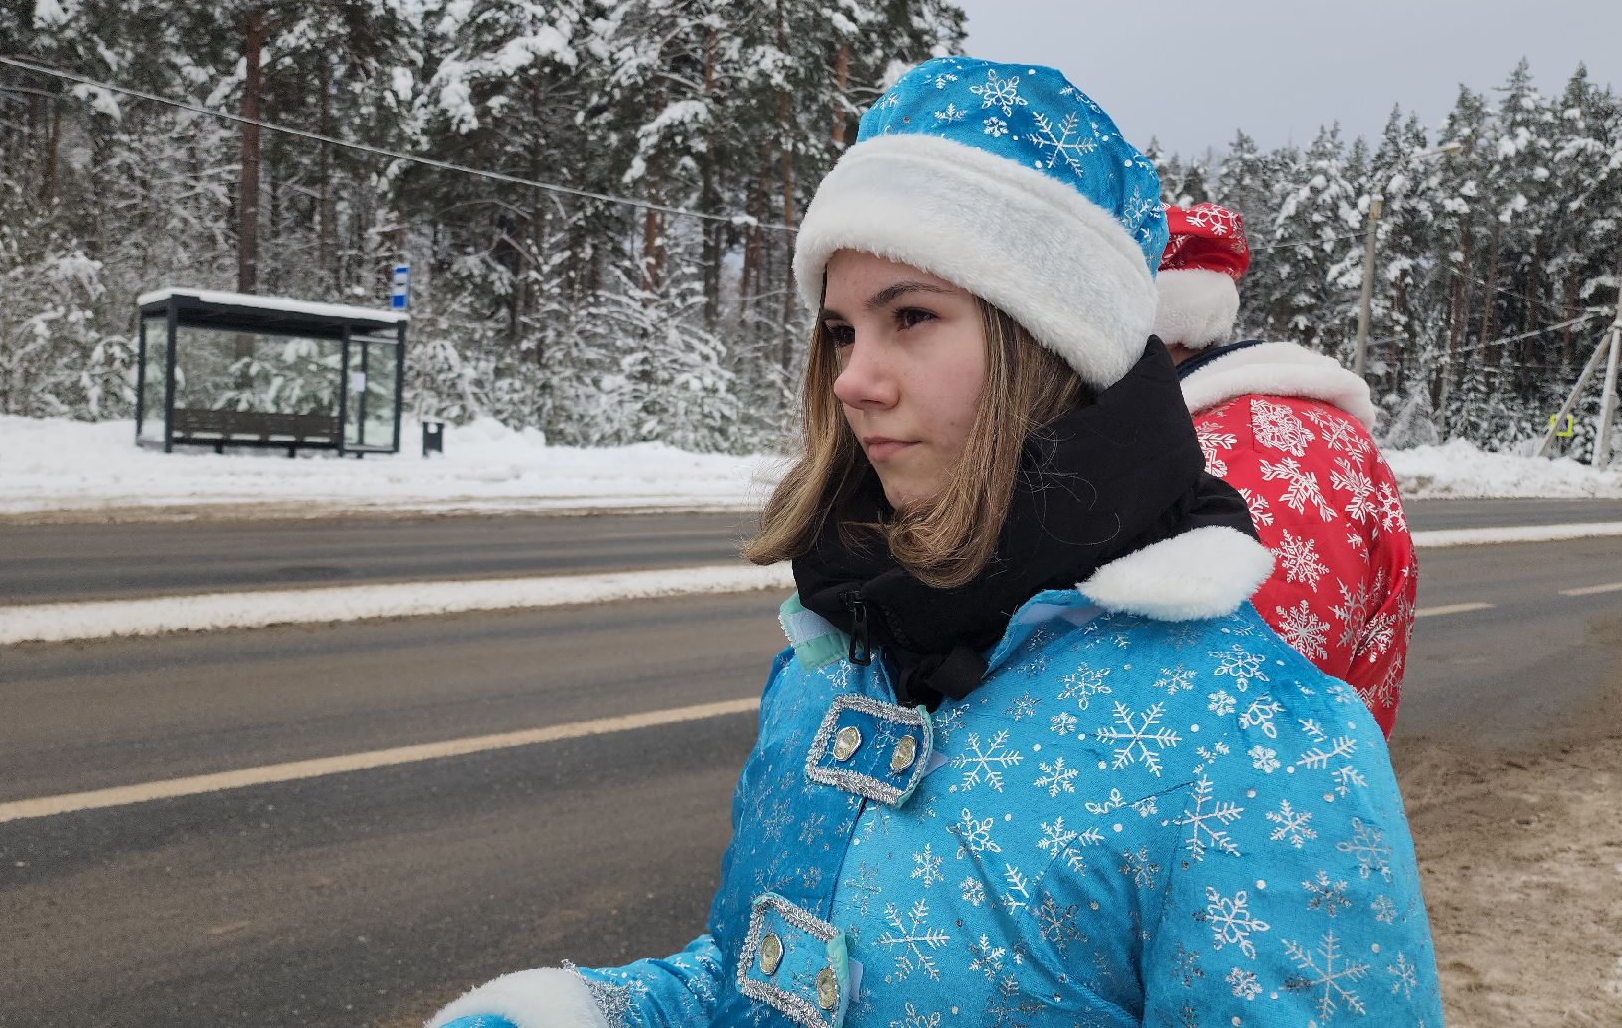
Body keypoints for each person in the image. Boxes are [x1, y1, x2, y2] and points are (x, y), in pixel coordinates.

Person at [426, 58, 1442, 1028]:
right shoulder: (838, 660)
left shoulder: (1255, 746)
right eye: (839, 331)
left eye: (909, 316)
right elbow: (759, 982)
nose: (852, 380)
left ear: (1049, 340)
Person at [1155, 203, 1419, 737]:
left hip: (1232, 801)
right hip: (1325, 779)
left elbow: (1241, 700)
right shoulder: (1322, 433)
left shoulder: (1238, 451)